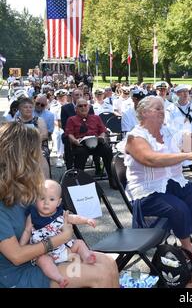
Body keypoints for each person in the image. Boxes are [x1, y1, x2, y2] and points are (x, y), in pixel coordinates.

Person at [0, 122, 118, 288]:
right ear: (22, 158)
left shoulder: (27, 188)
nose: (41, 154)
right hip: (17, 274)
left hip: (45, 257)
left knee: (108, 263)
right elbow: (16, 256)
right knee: (99, 275)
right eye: (37, 149)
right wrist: (60, 238)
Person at [124, 96, 192, 279]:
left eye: (162, 108)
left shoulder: (169, 131)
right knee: (178, 209)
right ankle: (190, 254)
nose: (162, 111)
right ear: (144, 113)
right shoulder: (135, 137)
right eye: (157, 108)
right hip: (147, 190)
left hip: (172, 181)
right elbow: (151, 159)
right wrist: (186, 155)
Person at [19, 180, 97, 288]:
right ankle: (59, 278)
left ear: (58, 202)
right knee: (43, 261)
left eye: (51, 199)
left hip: (63, 249)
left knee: (79, 243)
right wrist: (21, 247)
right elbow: (27, 231)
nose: (46, 202)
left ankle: (87, 256)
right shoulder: (33, 215)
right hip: (43, 252)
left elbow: (74, 218)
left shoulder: (60, 213)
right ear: (36, 199)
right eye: (42, 198)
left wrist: (86, 220)